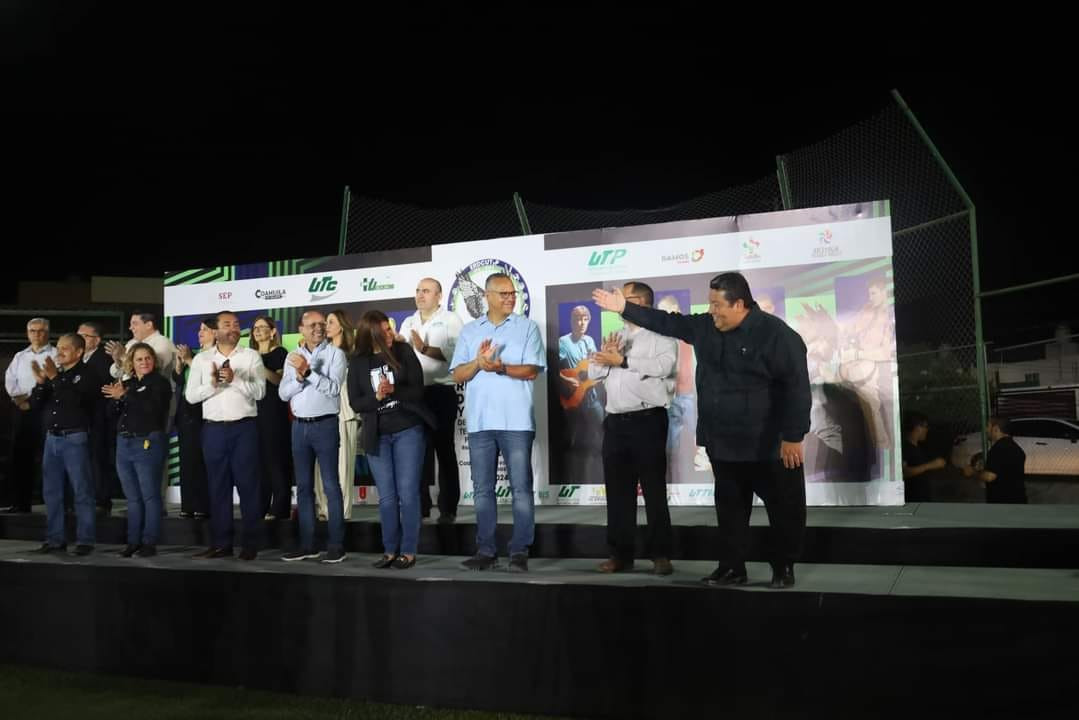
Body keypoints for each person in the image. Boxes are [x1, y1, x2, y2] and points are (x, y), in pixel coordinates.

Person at [593, 271, 811, 589]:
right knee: (730, 511)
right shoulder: (706, 327)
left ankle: (783, 567)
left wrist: (793, 436)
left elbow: (797, 388)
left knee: (784, 510)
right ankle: (732, 567)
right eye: (710, 304)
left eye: (717, 305)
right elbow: (667, 323)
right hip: (723, 442)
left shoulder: (777, 335)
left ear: (739, 304)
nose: (711, 311)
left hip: (769, 444)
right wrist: (625, 307)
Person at [450, 273, 545, 572]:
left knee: (521, 489)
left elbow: (532, 370)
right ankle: (486, 551)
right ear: (487, 296)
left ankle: (519, 551)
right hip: (480, 422)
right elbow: (457, 374)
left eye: (512, 293)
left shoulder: (527, 327)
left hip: (517, 421)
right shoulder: (470, 331)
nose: (510, 298)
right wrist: (479, 363)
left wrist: (500, 368)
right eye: (503, 293)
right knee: (482, 490)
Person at [587, 282, 677, 575]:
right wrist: (606, 356)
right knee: (617, 492)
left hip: (647, 420)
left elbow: (665, 367)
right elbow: (593, 373)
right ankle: (620, 555)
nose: (617, 303)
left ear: (642, 303)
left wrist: (623, 360)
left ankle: (660, 554)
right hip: (615, 423)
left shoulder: (662, 335)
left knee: (653, 490)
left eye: (623, 299)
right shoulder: (617, 335)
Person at [349, 310, 433, 569]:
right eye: (384, 330)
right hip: (378, 435)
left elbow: (418, 390)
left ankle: (408, 551)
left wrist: (394, 390)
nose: (390, 333)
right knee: (386, 497)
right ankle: (389, 551)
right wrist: (376, 397)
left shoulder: (403, 351)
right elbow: (355, 402)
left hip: (408, 429)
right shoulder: (358, 361)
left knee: (408, 493)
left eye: (389, 328)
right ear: (371, 333)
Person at [185, 311, 266, 561]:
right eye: (227, 324)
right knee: (217, 487)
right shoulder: (202, 359)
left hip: (244, 429)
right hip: (213, 430)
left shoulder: (251, 356)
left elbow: (260, 392)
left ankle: (250, 544)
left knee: (249, 487)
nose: (233, 328)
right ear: (216, 331)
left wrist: (235, 380)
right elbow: (190, 396)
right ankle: (221, 544)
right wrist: (213, 385)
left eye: (236, 324)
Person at [278, 310, 348, 564]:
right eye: (312, 325)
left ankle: (336, 545)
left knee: (331, 486)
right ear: (301, 329)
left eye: (321, 324)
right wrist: (299, 379)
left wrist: (309, 373)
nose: (318, 328)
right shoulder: (292, 356)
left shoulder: (336, 354)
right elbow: (283, 393)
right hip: (299, 427)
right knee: (304, 488)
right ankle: (307, 545)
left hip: (325, 425)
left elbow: (333, 389)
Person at [398, 278, 463, 524]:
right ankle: (420, 506)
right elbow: (400, 354)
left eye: (426, 291)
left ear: (439, 295)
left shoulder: (451, 320)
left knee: (444, 450)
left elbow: (459, 355)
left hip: (441, 393)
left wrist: (425, 349)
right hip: (414, 395)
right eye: (417, 290)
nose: (420, 295)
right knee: (417, 451)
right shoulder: (408, 322)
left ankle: (448, 509)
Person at [28, 333, 97, 554]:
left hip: (75, 438)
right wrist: (41, 383)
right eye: (58, 348)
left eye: (65, 348)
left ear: (79, 351)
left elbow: (75, 401)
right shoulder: (56, 375)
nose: (59, 352)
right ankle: (55, 539)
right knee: (51, 492)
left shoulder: (87, 374)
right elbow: (35, 404)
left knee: (81, 490)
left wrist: (54, 378)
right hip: (52, 439)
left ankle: (85, 540)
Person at [102, 343, 172, 557]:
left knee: (150, 495)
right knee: (132, 497)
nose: (144, 362)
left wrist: (125, 396)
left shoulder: (160, 383)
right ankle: (133, 541)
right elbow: (111, 413)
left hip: (147, 442)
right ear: (131, 363)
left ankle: (149, 542)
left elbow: (152, 409)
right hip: (124, 442)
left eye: (148, 358)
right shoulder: (128, 384)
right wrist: (117, 400)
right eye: (139, 359)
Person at [106, 311, 177, 514]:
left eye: (135, 323)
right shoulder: (132, 343)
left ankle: (156, 503)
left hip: (156, 406)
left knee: (155, 459)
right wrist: (120, 360)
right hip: (131, 409)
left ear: (149, 324)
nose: (131, 328)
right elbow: (116, 371)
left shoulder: (162, 344)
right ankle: (139, 505)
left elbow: (152, 370)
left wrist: (124, 359)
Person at [3, 318, 57, 513]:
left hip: (46, 410)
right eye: (32, 331)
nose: (36, 334)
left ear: (47, 333)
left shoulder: (55, 354)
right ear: (27, 333)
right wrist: (20, 400)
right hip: (22, 410)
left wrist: (34, 400)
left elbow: (54, 383)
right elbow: (10, 381)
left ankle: (54, 503)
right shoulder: (20, 356)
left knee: (49, 458)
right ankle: (21, 503)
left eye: (41, 331)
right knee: (21, 457)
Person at [839, 277, 895, 450]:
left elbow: (886, 352)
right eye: (869, 294)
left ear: (884, 292)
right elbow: (852, 327)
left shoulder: (889, 316)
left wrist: (858, 354)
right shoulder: (868, 308)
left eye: (874, 293)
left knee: (870, 402)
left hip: (876, 364)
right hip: (858, 360)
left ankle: (881, 445)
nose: (870, 297)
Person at [314, 309, 359, 522]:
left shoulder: (354, 354)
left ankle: (341, 511)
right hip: (321, 413)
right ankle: (324, 508)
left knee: (343, 466)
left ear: (342, 326)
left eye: (330, 322)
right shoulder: (320, 353)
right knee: (321, 467)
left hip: (344, 412)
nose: (326, 326)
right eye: (325, 322)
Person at [250, 315, 292, 520]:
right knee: (258, 462)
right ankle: (261, 506)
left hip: (274, 412)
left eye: (262, 327)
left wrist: (260, 367)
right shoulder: (250, 355)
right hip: (253, 412)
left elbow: (279, 380)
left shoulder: (280, 353)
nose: (257, 331)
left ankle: (280, 507)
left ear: (273, 331)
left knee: (276, 460)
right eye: (255, 328)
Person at [173, 318, 216, 519]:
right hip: (186, 411)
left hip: (204, 411)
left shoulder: (215, 355)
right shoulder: (196, 353)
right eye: (199, 329)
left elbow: (209, 379)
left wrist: (190, 360)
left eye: (205, 329)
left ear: (215, 332)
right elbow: (180, 380)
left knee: (201, 460)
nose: (200, 333)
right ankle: (188, 504)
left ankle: (202, 504)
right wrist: (179, 365)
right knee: (187, 459)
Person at [557, 305, 604, 484]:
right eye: (578, 319)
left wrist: (598, 361)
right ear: (572, 321)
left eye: (585, 319)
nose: (581, 323)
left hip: (591, 397)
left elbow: (592, 367)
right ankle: (570, 480)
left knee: (603, 433)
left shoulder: (589, 341)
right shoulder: (563, 342)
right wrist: (567, 380)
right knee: (572, 439)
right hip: (573, 399)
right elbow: (554, 369)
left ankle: (601, 478)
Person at [656, 294, 697, 483]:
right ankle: (671, 478)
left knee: (696, 437)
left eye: (669, 312)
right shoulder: (659, 340)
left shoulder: (690, 337)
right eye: (661, 313)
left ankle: (697, 477)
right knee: (671, 442)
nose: (665, 317)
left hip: (689, 396)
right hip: (669, 398)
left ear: (678, 311)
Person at [78, 321, 117, 516]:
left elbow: (103, 388)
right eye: (78, 335)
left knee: (98, 458)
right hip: (82, 417)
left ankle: (102, 500)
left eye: (85, 336)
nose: (80, 339)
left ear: (97, 340)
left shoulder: (103, 359)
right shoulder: (78, 358)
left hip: (99, 416)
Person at [963, 416, 1027, 504]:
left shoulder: (998, 448)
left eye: (988, 426)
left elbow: (989, 476)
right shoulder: (1017, 449)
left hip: (1001, 504)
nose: (986, 430)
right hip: (1019, 501)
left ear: (996, 429)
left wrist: (972, 472)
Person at [901, 411, 946, 502]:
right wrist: (930, 465)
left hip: (922, 499)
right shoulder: (905, 447)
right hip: (913, 501)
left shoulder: (918, 447)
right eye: (925, 427)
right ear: (917, 427)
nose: (927, 430)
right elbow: (904, 472)